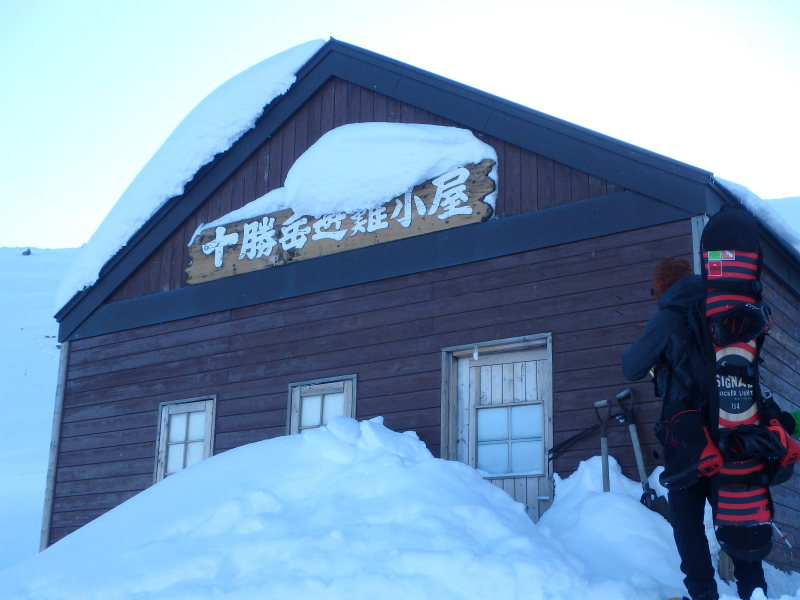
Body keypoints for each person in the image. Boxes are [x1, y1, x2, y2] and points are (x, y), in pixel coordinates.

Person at [621, 257, 764, 600]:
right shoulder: (727, 314)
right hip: (735, 432)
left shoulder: (667, 318)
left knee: (687, 521)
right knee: (739, 516)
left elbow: (631, 367)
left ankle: (702, 593)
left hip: (686, 437)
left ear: (662, 288)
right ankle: (754, 591)